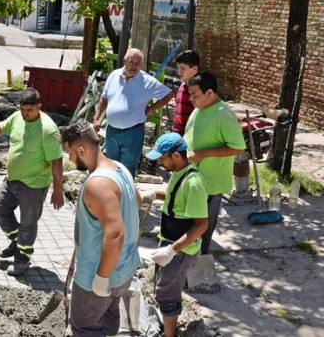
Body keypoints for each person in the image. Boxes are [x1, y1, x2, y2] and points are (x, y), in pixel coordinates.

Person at [0, 88, 64, 276]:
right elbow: (0, 128)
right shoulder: (18, 117)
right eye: (23, 109)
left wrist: (58, 190)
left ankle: (22, 259)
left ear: (39, 107)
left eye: (30, 110)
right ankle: (17, 242)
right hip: (12, 179)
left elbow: (57, 161)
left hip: (34, 185)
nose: (25, 114)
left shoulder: (48, 130)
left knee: (28, 223)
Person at [60, 120, 141, 337]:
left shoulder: (98, 184)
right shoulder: (120, 169)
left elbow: (115, 235)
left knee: (84, 329)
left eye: (70, 153)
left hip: (98, 275)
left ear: (81, 150)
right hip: (124, 271)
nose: (70, 159)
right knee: (108, 318)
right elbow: (138, 202)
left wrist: (101, 278)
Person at [144, 132, 209, 337]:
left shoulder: (194, 183)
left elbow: (201, 225)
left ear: (176, 156)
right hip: (170, 242)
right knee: (164, 288)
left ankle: (169, 335)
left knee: (167, 294)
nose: (159, 162)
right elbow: (175, 198)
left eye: (162, 158)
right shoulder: (178, 172)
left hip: (181, 250)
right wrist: (153, 194)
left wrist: (172, 250)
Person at [183, 72, 245, 255]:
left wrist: (204, 153)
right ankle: (185, 260)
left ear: (209, 93)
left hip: (210, 183)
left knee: (201, 228)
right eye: (190, 94)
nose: (191, 98)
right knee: (188, 224)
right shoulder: (200, 107)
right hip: (192, 178)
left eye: (194, 94)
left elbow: (238, 147)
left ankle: (198, 261)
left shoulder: (223, 114)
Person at [93, 48, 174, 177]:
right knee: (111, 167)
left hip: (133, 133)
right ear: (124, 61)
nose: (134, 66)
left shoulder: (147, 81)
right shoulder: (114, 76)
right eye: (131, 62)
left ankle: (126, 190)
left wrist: (151, 109)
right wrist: (96, 118)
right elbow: (104, 98)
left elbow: (169, 95)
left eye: (138, 63)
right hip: (112, 131)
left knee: (127, 170)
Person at [172, 50, 202, 135]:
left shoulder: (199, 89)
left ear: (194, 68)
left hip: (189, 134)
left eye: (183, 68)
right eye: (178, 68)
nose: (179, 71)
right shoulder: (183, 84)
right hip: (177, 132)